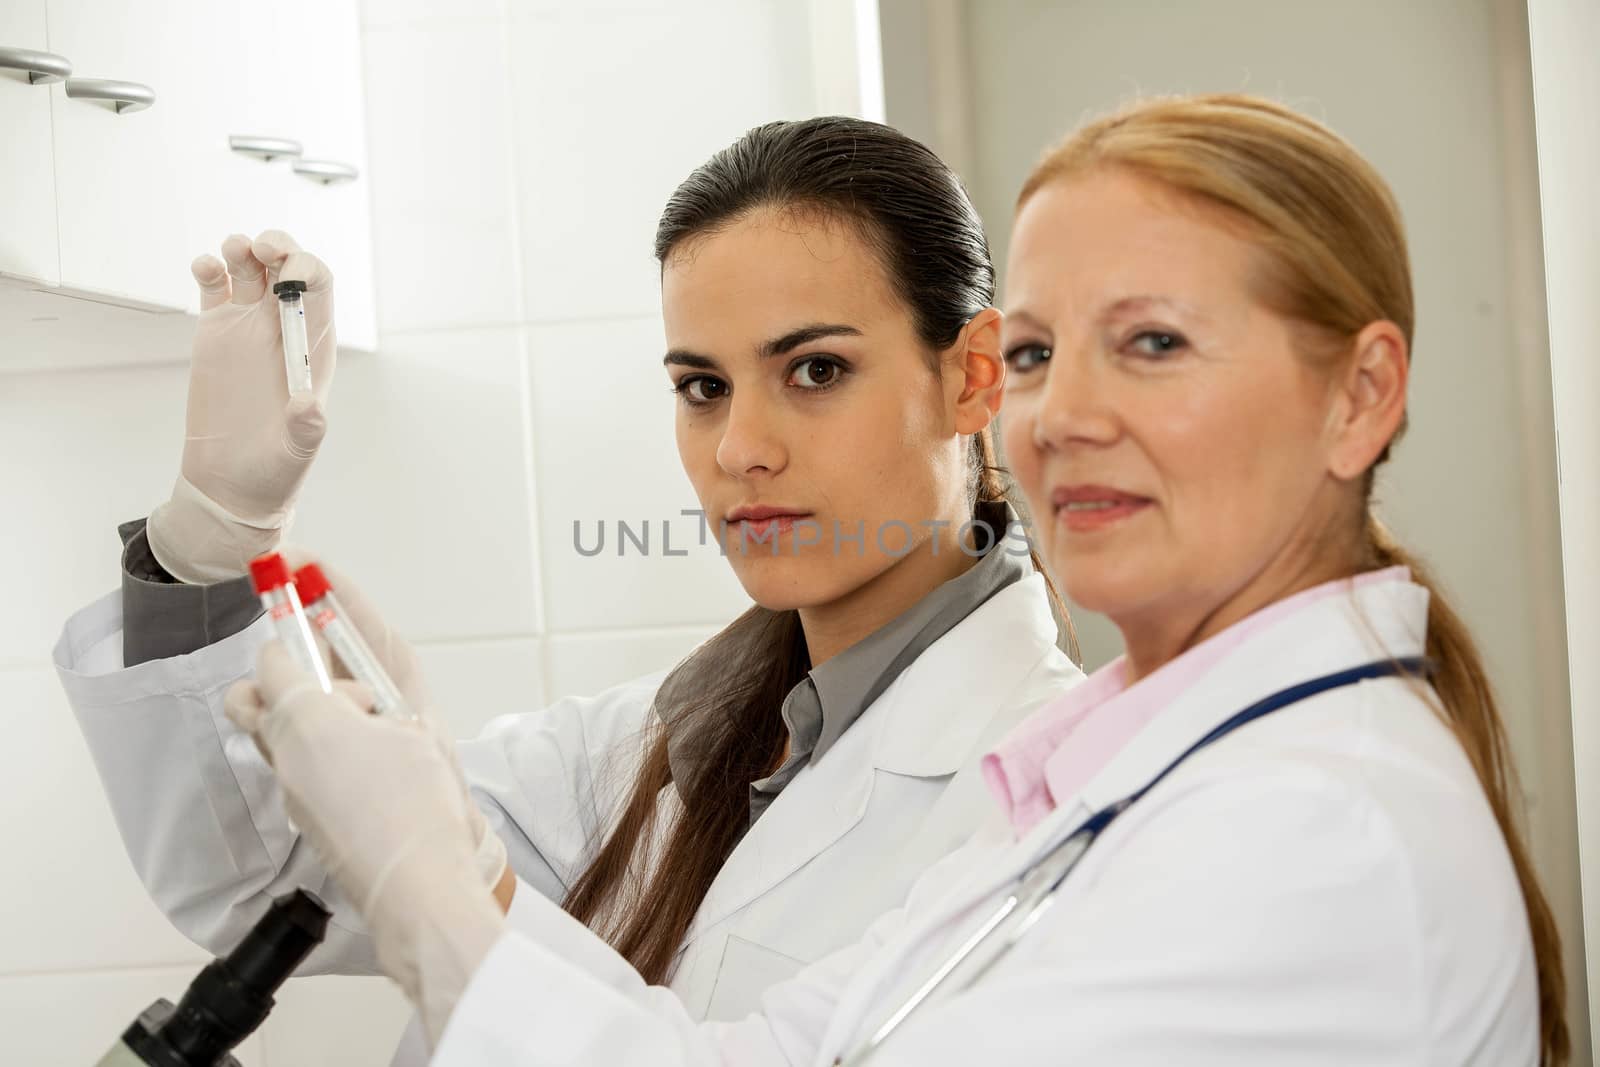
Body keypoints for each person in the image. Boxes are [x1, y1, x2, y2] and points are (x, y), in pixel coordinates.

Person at [228, 93, 1568, 1065]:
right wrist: (445, 861)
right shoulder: (1122, 774)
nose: (1064, 417)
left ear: (1362, 395)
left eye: (1153, 342)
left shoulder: (1306, 829)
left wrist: (432, 885)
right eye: (1042, 353)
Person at [53, 116, 1085, 1063]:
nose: (739, 447)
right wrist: (207, 540)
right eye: (701, 387)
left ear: (973, 377)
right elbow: (263, 880)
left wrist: (459, 869)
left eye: (814, 370)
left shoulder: (1047, 796)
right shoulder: (638, 749)